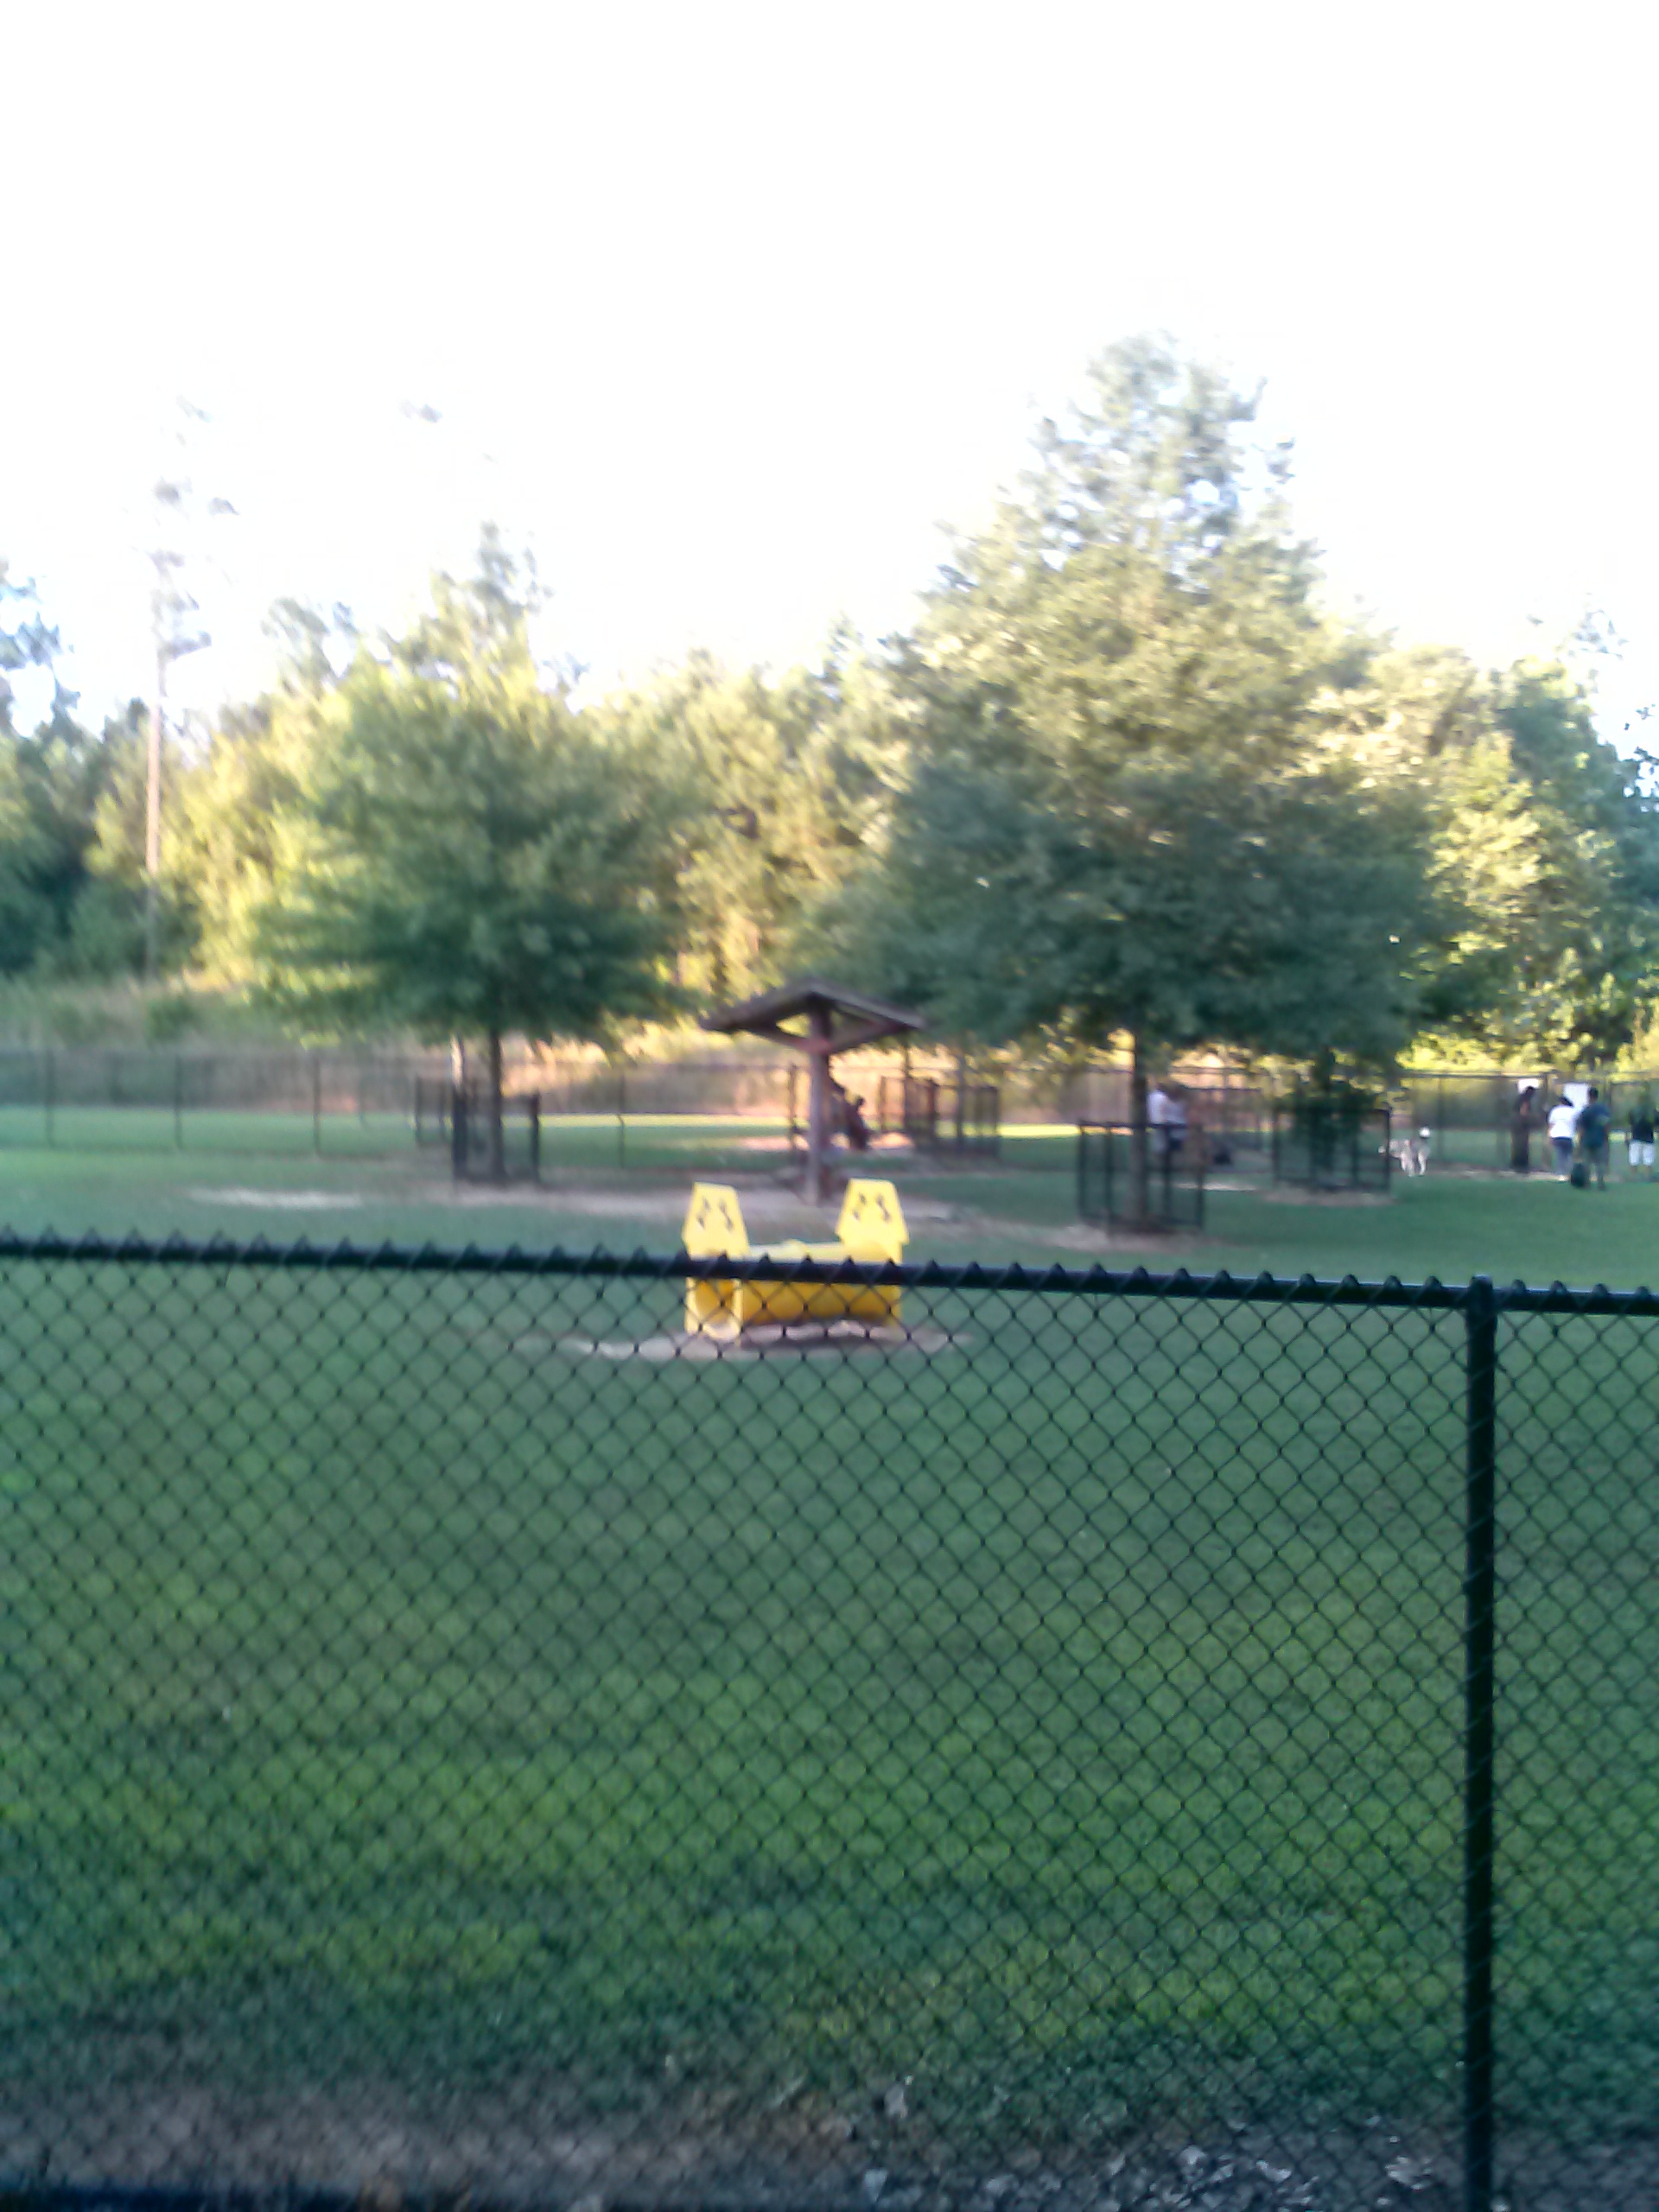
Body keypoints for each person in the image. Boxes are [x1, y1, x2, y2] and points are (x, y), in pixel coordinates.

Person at [1578, 1084, 1611, 1189]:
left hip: (1587, 1139)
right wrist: (1606, 1138)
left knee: (1587, 1163)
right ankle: (1601, 1183)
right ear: (1597, 1096)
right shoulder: (1604, 1110)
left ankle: (1587, 1183)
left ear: (1589, 1096)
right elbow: (1607, 1125)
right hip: (1600, 1139)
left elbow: (1581, 1128)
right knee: (1600, 1163)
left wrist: (1580, 1141)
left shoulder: (1586, 1110)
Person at [1547, 1092, 1579, 1179]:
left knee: (1560, 1155)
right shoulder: (1573, 1111)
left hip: (1557, 1135)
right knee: (1569, 1155)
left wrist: (1549, 1135)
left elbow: (1551, 1124)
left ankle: (1561, 1173)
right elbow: (1577, 1124)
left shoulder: (1555, 1111)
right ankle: (1571, 1173)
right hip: (1569, 1135)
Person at [1510, 1084, 1538, 1174]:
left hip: (1516, 1124)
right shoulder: (1526, 1099)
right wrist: (1528, 1120)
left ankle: (1516, 1163)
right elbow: (1523, 1111)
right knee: (1522, 1144)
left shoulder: (1519, 1098)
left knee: (1517, 1144)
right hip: (1521, 1124)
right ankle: (1521, 1164)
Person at [1630, 1094, 1657, 1180]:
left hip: (1636, 1137)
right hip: (1649, 1138)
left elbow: (1630, 1123)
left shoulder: (1634, 1111)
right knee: (1648, 1159)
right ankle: (1647, 1177)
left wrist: (1627, 1136)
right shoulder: (1653, 1112)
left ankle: (1633, 1177)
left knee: (1634, 1159)